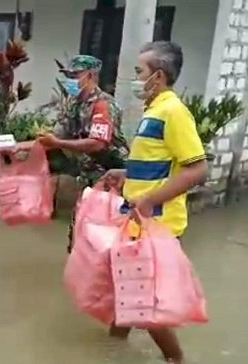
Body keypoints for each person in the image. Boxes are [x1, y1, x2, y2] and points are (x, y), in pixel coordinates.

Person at [101, 41, 209, 364]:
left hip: (158, 227)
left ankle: (176, 359)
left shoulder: (173, 112)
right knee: (126, 293)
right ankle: (111, 349)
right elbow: (159, 165)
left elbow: (198, 168)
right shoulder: (155, 111)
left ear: (157, 76)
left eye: (139, 71)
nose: (135, 78)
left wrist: (149, 200)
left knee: (144, 304)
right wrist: (125, 174)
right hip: (139, 222)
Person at [12, 55, 129, 252]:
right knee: (80, 234)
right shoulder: (71, 104)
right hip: (86, 177)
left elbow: (97, 144)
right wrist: (19, 147)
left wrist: (58, 143)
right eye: (68, 75)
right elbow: (54, 138)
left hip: (112, 177)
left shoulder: (103, 105)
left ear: (90, 76)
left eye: (75, 75)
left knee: (107, 236)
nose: (70, 80)